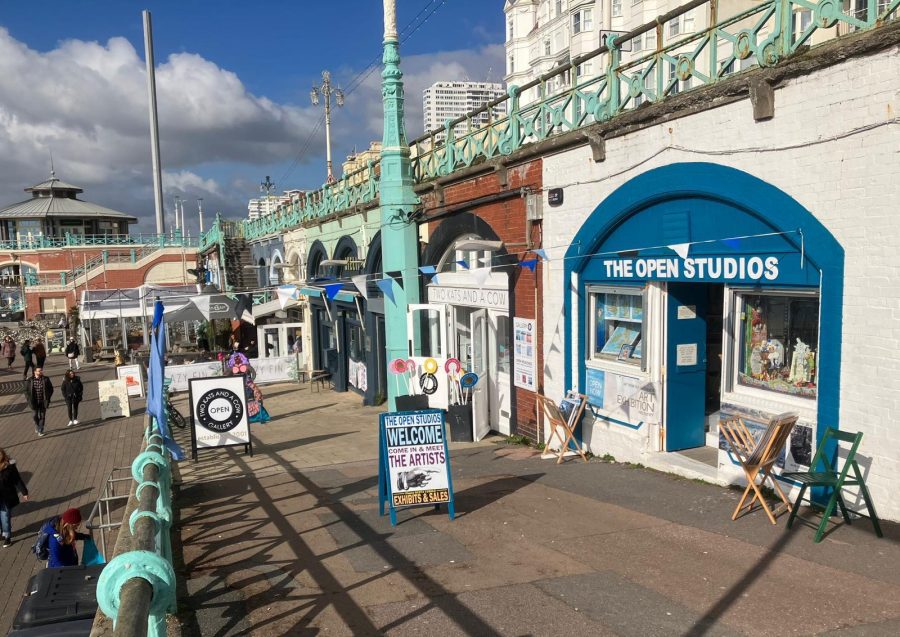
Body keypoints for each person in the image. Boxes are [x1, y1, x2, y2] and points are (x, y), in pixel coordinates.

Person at [0, 447, 29, 547]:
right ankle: (2, 532)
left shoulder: (9, 466)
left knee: (5, 517)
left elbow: (17, 480)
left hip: (6, 497)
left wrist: (24, 492)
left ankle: (7, 537)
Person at [25, 367, 53, 437]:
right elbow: (26, 391)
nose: (41, 372)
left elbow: (51, 389)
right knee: (35, 415)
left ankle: (41, 430)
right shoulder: (30, 380)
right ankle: (37, 426)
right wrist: (28, 399)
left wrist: (48, 397)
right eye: (39, 371)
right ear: (35, 372)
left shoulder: (46, 379)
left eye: (41, 370)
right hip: (34, 401)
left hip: (43, 401)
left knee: (42, 416)